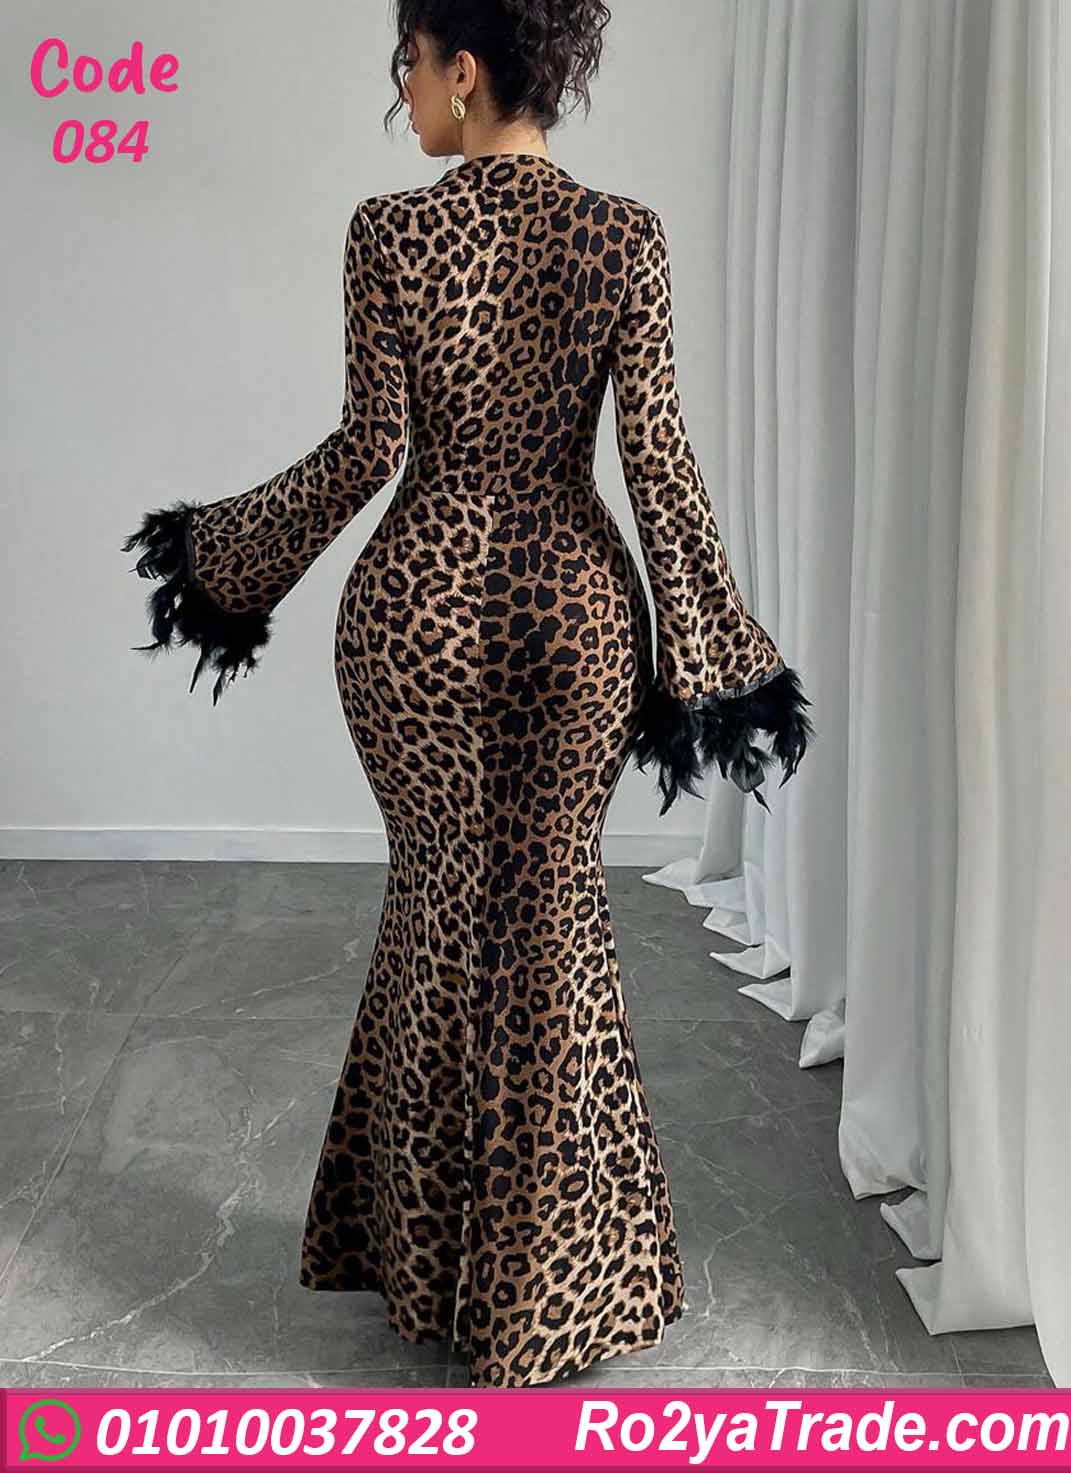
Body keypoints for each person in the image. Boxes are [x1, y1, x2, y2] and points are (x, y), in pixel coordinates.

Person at [121, 0, 814, 1390]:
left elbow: (366, 451)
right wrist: (718, 652)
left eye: (410, 63)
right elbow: (658, 465)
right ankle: (549, 1286)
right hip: (572, 617)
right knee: (554, 921)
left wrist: (221, 557)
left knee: (440, 907)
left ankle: (433, 1265)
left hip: (414, 626)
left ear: (465, 66)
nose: (406, 90)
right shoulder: (624, 235)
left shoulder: (389, 232)